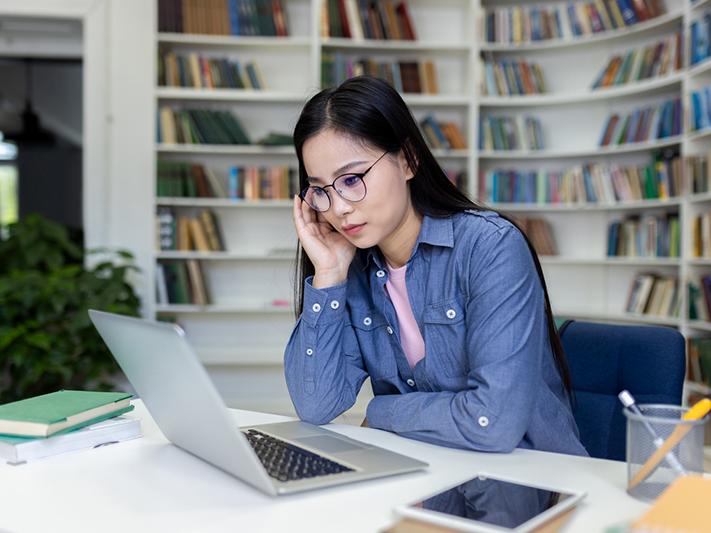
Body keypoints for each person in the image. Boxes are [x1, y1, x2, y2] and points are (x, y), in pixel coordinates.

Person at [284, 76, 586, 456]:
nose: (339, 207)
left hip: (531, 482)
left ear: (408, 160)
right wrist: (327, 275)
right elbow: (316, 405)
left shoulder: (490, 246)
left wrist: (382, 411)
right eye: (322, 190)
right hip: (429, 476)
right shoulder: (353, 268)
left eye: (351, 179)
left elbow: (492, 423)